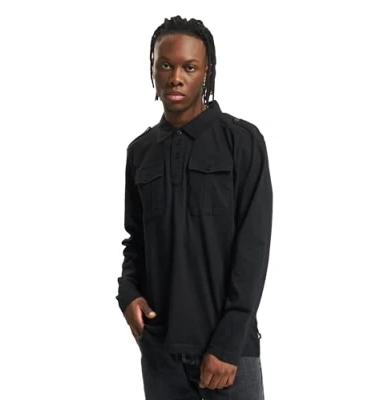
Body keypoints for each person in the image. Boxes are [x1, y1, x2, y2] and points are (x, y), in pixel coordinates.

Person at [116, 15, 273, 400]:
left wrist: (228, 344)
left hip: (229, 356)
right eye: (165, 65)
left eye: (189, 67)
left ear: (207, 72)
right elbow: (136, 241)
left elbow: (252, 249)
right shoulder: (140, 152)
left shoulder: (242, 141)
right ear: (152, 69)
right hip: (161, 355)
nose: (175, 78)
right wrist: (128, 292)